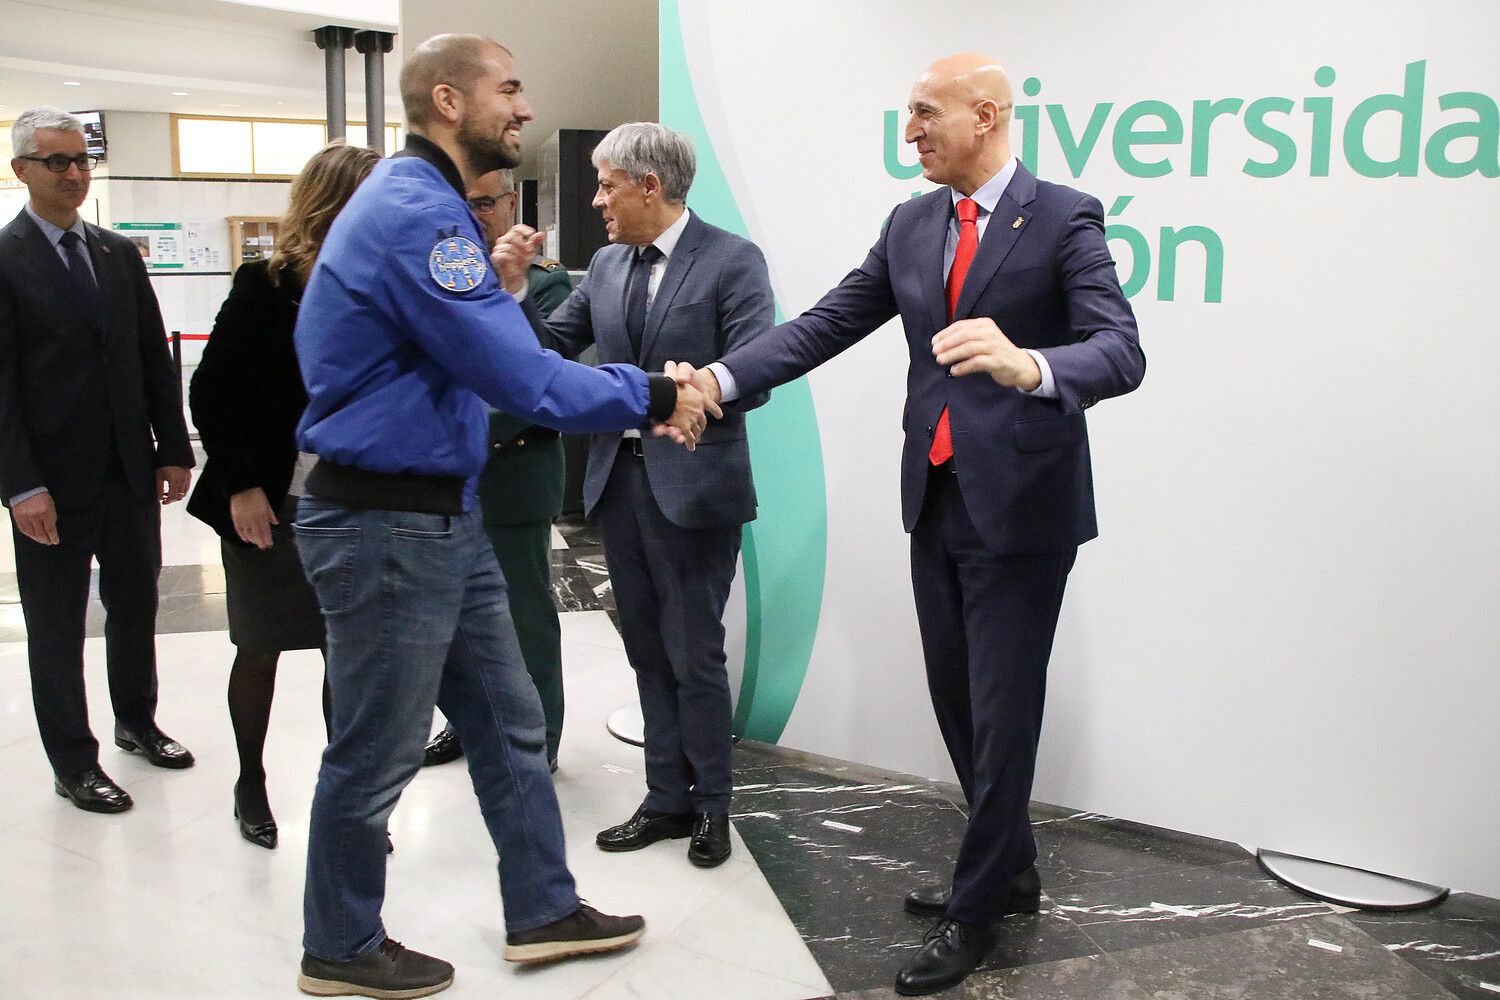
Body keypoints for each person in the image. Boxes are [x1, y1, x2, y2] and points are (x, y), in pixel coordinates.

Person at [677, 53, 1146, 996]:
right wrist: (720, 380)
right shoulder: (910, 222)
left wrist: (1031, 367)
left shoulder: (1064, 216)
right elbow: (823, 323)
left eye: (927, 114)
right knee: (959, 703)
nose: (912, 133)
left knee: (1005, 712)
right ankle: (1008, 868)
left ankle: (977, 910)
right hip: (934, 500)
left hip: (1023, 510)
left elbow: (1120, 349)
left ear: (988, 114)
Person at [289, 34, 715, 999]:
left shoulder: (427, 208)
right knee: (374, 749)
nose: (523, 109)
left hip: (439, 518)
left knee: (510, 722)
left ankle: (543, 909)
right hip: (387, 526)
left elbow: (479, 352)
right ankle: (341, 943)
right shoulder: (416, 214)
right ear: (449, 100)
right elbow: (523, 378)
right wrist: (656, 393)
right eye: (509, 90)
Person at [520, 121, 773, 868]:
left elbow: (754, 368)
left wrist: (693, 393)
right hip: (615, 486)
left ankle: (713, 809)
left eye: (606, 184)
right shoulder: (603, 264)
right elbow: (550, 348)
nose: (597, 199)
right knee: (645, 652)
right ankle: (665, 799)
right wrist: (507, 296)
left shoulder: (733, 260)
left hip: (695, 490)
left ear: (648, 186)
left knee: (694, 653)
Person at [0, 107, 196, 814]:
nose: (75, 173)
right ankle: (72, 760)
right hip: (50, 482)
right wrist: (21, 485)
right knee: (55, 625)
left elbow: (151, 358)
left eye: (82, 160)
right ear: (22, 170)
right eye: (57, 162)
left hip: (127, 472)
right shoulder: (6, 258)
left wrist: (171, 447)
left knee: (135, 604)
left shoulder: (116, 253)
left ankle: (136, 721)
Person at [187, 141, 381, 849]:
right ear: (333, 201)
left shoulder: (373, 282)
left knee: (345, 652)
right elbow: (210, 392)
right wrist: (240, 485)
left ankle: (347, 797)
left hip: (346, 502)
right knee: (262, 646)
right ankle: (251, 781)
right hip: (264, 499)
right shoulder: (263, 285)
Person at [423, 167, 572, 772]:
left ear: (512, 201)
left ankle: (539, 740)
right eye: (466, 203)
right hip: (443, 484)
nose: (477, 213)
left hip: (513, 477)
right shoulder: (441, 279)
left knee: (523, 620)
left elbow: (545, 374)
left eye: (488, 202)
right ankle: (467, 723)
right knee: (451, 620)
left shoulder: (545, 285)